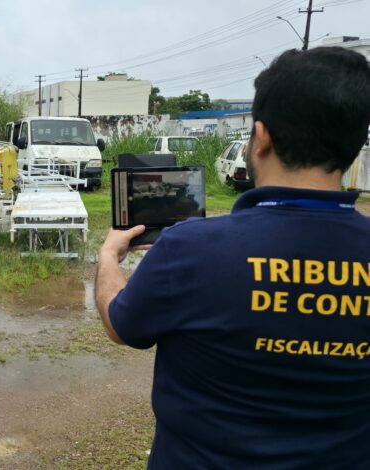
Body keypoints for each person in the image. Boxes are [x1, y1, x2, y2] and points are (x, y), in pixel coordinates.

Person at [95, 46, 370, 468]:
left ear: (260, 138)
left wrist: (109, 259)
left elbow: (121, 324)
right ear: (353, 146)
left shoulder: (191, 248)